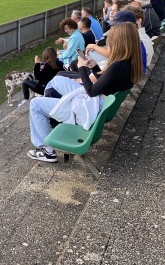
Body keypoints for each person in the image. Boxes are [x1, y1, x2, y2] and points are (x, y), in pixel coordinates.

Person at [26, 22, 142, 162]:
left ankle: (47, 150)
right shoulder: (128, 63)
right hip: (98, 102)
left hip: (90, 107)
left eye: (110, 42)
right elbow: (107, 83)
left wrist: (81, 68)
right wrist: (94, 67)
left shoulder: (117, 66)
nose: (108, 46)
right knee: (56, 81)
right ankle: (53, 116)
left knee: (35, 104)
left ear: (119, 43)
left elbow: (92, 91)